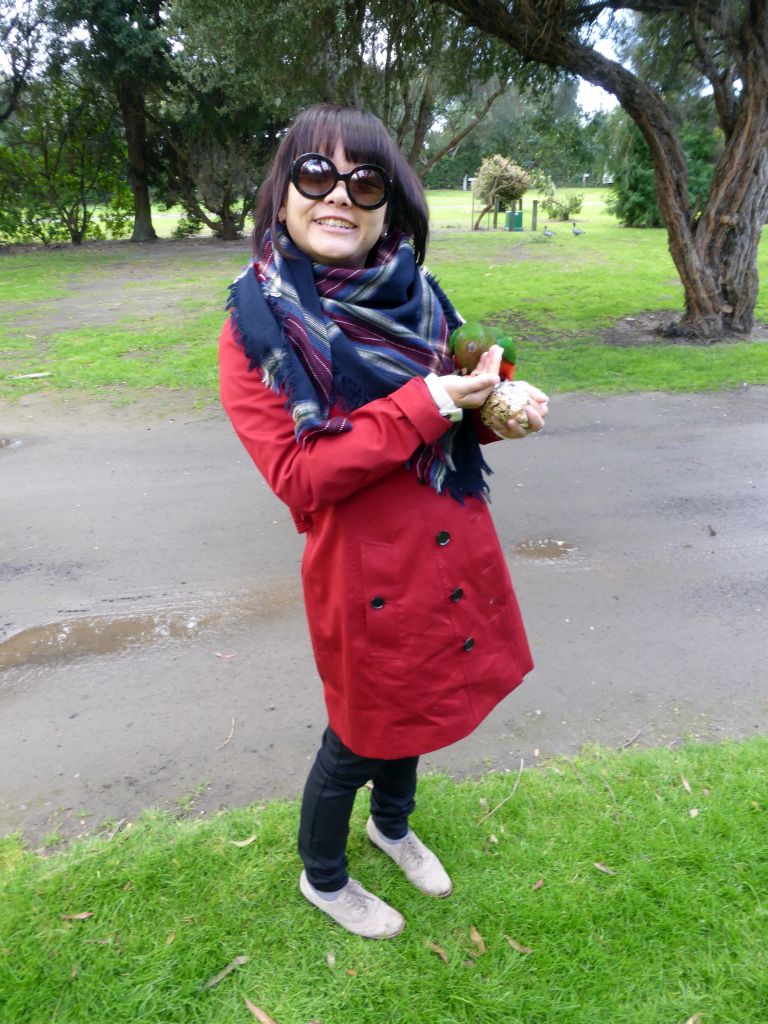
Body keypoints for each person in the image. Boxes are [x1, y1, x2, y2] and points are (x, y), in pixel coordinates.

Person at [219, 104, 548, 940]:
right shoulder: (257, 326)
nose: (339, 197)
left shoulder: (416, 291)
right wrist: (431, 400)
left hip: (451, 544)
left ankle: (391, 827)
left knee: (425, 701)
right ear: (283, 193)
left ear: (390, 204)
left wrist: (491, 411)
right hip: (364, 571)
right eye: (315, 175)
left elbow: (452, 408)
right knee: (360, 734)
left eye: (364, 181)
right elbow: (301, 476)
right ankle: (323, 879)